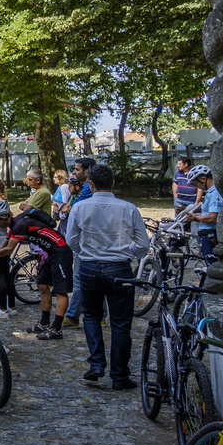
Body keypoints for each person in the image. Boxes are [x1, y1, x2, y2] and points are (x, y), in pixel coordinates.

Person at [66, 163, 150, 389]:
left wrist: (83, 251)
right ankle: (120, 375)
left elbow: (71, 240)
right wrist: (127, 252)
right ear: (112, 182)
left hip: (89, 266)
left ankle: (96, 363)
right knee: (121, 323)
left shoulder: (80, 207)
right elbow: (143, 244)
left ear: (90, 184)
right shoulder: (128, 208)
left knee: (91, 315)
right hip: (119, 268)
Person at [7, 206, 73, 340]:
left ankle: (56, 329)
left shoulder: (20, 224)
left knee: (61, 291)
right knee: (42, 284)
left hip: (60, 251)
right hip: (49, 253)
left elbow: (8, 249)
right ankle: (44, 323)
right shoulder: (17, 223)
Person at [62, 156, 97, 328]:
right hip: (87, 242)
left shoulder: (89, 189)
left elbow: (73, 207)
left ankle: (72, 316)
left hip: (84, 242)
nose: (74, 172)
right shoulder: (85, 187)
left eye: (77, 169)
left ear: (87, 170)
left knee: (79, 280)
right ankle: (101, 315)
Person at [186, 165, 222, 264]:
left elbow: (213, 218)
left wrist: (195, 217)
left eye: (196, 183)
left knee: (211, 266)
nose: (196, 186)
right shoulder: (210, 193)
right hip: (207, 235)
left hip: (211, 236)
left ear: (203, 178)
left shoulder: (215, 194)